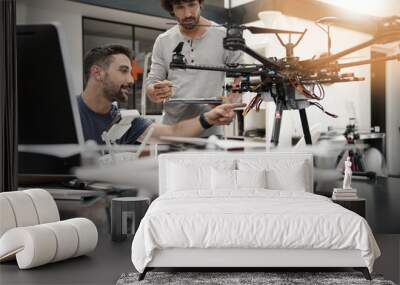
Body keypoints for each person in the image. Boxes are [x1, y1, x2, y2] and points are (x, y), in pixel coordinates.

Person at [78, 44, 244, 145]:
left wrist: (209, 118)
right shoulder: (66, 114)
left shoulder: (121, 119)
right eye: (123, 71)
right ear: (97, 73)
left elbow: (173, 133)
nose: (130, 79)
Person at [146, 0, 242, 136]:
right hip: (172, 132)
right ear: (172, 9)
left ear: (200, 3)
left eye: (192, 5)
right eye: (180, 7)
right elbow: (152, 85)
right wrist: (157, 91)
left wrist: (230, 101)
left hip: (210, 130)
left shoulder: (224, 36)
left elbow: (240, 76)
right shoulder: (163, 40)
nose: (187, 14)